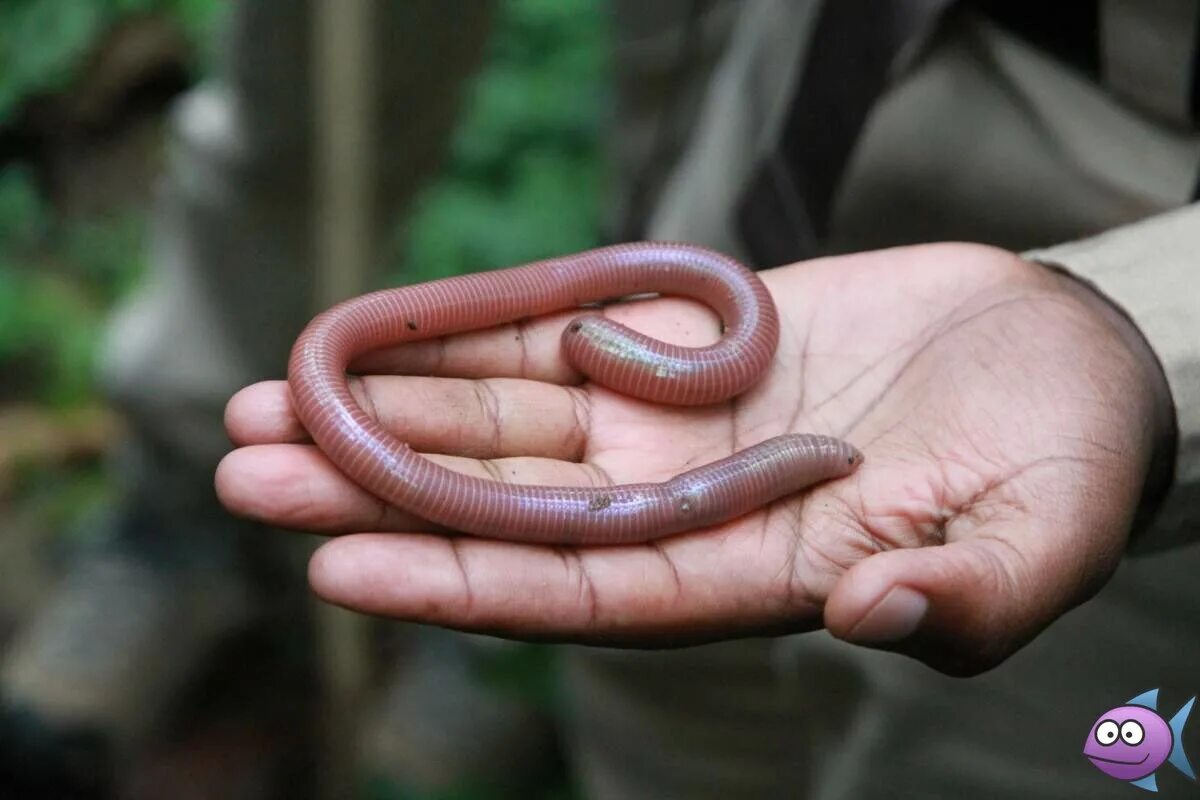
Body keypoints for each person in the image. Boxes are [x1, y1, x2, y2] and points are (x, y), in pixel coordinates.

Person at [219, 1, 1200, 799]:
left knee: (978, 749)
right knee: (660, 685)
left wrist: (1153, 329)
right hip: (810, 80)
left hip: (1141, 173)